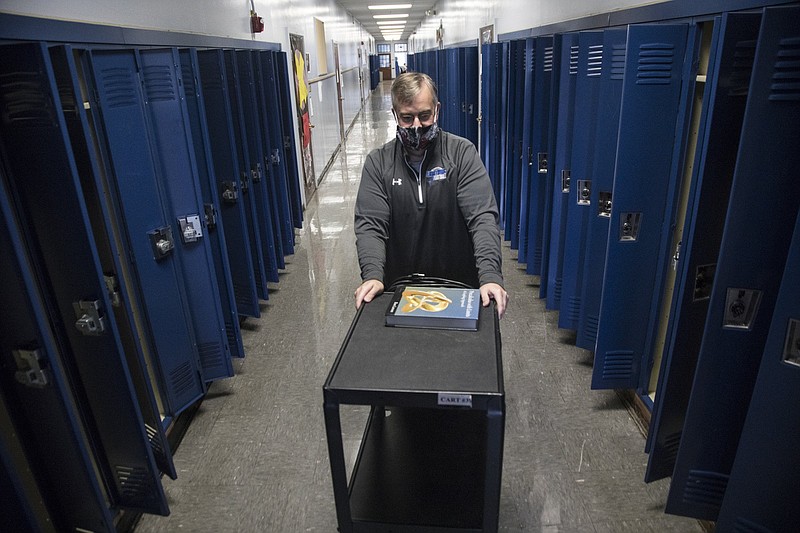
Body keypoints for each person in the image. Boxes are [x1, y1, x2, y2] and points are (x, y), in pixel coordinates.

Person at [353, 72, 508, 318]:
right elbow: (371, 225)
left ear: (437, 110)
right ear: (394, 115)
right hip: (399, 291)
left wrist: (490, 275)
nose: (416, 125)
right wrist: (372, 274)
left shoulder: (461, 154)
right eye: (407, 117)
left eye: (424, 115)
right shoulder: (378, 163)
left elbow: (482, 218)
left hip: (459, 287)